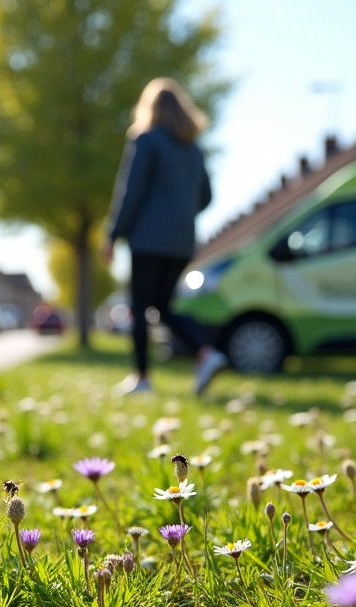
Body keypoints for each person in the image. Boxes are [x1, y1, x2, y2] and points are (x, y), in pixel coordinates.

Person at [105, 77, 226, 396]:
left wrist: (113, 234)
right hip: (182, 241)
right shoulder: (193, 148)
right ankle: (206, 352)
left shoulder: (147, 140)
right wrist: (180, 216)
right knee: (162, 305)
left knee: (141, 307)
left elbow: (131, 193)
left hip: (148, 239)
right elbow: (207, 196)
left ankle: (142, 377)